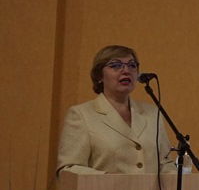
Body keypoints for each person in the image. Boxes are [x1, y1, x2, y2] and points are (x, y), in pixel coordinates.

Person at [57, 45, 176, 175]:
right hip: (103, 189)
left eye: (132, 65)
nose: (126, 71)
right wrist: (108, 179)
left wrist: (178, 178)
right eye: (116, 65)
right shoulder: (81, 115)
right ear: (99, 76)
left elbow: (166, 164)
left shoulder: (153, 113)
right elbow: (68, 169)